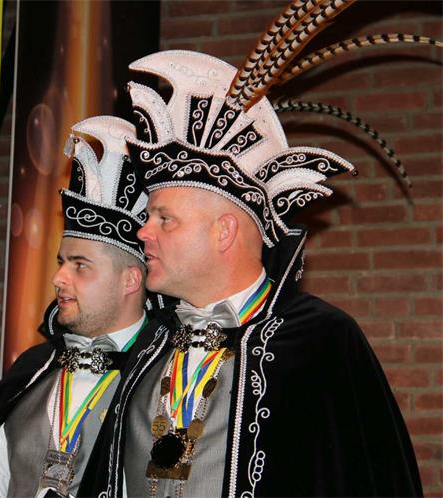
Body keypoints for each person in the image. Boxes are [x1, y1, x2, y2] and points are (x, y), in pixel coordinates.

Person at [79, 38, 423, 498]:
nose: (144, 232)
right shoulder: (147, 344)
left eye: (164, 219)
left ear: (224, 232)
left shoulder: (322, 343)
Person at [0, 116, 165, 497]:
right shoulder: (34, 371)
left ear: (130, 280)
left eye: (80, 265)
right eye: (62, 262)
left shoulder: (165, 376)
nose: (59, 277)